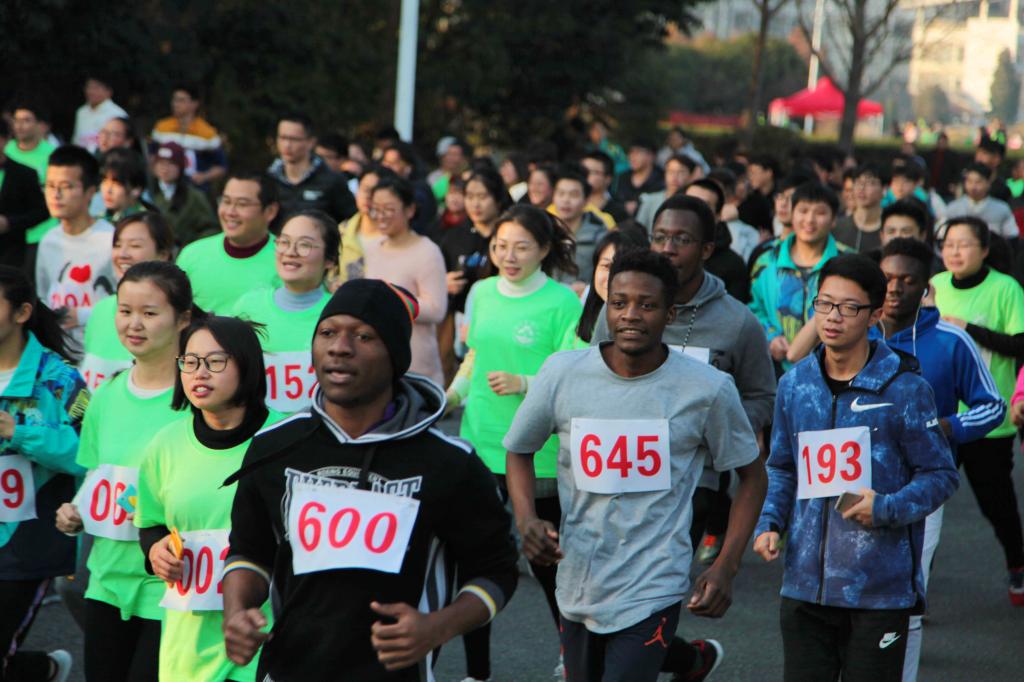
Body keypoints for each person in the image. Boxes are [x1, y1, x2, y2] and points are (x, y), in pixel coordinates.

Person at [220, 279, 518, 680]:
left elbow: (497, 569)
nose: (340, 347)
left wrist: (437, 627)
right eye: (328, 332)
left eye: (364, 336)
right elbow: (250, 552)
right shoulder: (274, 448)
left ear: (395, 355)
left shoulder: (449, 462)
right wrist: (236, 611)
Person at [506, 248, 767, 682]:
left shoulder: (707, 388)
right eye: (619, 302)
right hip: (578, 578)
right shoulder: (562, 373)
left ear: (670, 314)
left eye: (647, 305)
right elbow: (519, 449)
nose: (631, 314)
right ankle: (693, 662)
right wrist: (526, 518)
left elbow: (752, 477)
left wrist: (726, 565)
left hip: (655, 582)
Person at [754, 253, 958, 682]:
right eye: (824, 304)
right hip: (804, 587)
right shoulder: (795, 384)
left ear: (875, 315)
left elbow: (940, 475)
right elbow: (783, 466)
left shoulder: (905, 389)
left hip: (879, 591)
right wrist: (770, 522)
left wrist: (886, 507)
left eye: (849, 307)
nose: (833, 317)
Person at [589, 194, 775, 608]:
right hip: (619, 466)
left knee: (651, 591)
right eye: (660, 237)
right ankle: (680, 648)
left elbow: (762, 395)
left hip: (695, 480)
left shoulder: (737, 322)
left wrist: (719, 426)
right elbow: (594, 375)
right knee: (607, 592)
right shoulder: (618, 310)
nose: (668, 248)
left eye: (682, 239)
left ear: (706, 249)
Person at [443, 204, 582, 681]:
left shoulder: (563, 302)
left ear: (544, 250)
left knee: (547, 564)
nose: (509, 255)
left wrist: (524, 383)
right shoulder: (481, 292)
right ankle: (477, 673)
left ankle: (571, 654)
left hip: (537, 451)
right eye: (500, 246)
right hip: (478, 443)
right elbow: (475, 356)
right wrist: (452, 395)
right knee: (474, 561)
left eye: (522, 247)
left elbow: (573, 371)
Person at [54, 261, 195, 680]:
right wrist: (75, 511)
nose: (134, 324)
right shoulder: (106, 395)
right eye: (125, 310)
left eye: (149, 313)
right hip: (107, 580)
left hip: (171, 584)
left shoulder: (199, 397)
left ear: (183, 319)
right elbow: (96, 475)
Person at [877, 238, 1005, 681]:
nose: (895, 289)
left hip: (924, 490)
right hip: (855, 484)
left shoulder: (952, 341)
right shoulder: (855, 334)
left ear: (926, 287)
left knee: (907, 600)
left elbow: (992, 406)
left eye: (907, 280)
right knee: (848, 598)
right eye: (886, 278)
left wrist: (948, 426)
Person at [135, 315, 280, 681]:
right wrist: (155, 552)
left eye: (215, 361)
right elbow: (150, 524)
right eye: (190, 361)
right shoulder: (164, 445)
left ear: (246, 365)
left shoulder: (286, 439)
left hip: (265, 639)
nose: (200, 373)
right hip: (188, 648)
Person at [930, 216, 1024, 604]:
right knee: (925, 504)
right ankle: (913, 586)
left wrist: (968, 328)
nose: (954, 251)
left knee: (996, 503)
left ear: (984, 249)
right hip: (940, 417)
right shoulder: (934, 285)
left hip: (988, 419)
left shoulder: (1006, 288)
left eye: (964, 244)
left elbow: (1020, 344)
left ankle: (1017, 565)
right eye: (948, 244)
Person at [0, 266, 86, 682]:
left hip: (25, 545)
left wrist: (18, 432)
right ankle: (44, 669)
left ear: (22, 313)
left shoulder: (60, 379)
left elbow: (87, 452)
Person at [233, 210, 337, 413]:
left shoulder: (339, 313)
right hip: (261, 430)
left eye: (305, 245)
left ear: (330, 259)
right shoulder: (248, 306)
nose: (290, 252)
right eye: (284, 242)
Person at [750, 182, 846, 372]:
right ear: (792, 214)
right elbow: (754, 308)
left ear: (834, 219)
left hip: (832, 369)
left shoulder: (847, 262)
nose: (810, 220)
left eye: (820, 213)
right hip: (774, 369)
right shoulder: (767, 261)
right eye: (803, 211)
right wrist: (770, 336)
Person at [363, 175, 447, 385]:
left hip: (417, 367)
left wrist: (392, 300)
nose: (380, 216)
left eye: (388, 209)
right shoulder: (373, 248)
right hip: (378, 362)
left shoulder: (427, 251)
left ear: (410, 210)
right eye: (376, 209)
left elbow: (436, 309)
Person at [80, 212, 175, 390]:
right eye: (117, 245)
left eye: (135, 245)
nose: (122, 254)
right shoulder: (101, 309)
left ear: (163, 254)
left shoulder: (173, 315)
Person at [37, 145, 117, 347]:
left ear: (90, 191)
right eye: (50, 185)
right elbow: (43, 297)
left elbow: (129, 302)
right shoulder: (48, 240)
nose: (55, 195)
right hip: (60, 353)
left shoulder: (111, 240)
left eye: (66, 186)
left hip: (102, 351)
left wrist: (82, 315)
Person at [438, 168, 513, 381]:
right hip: (459, 321)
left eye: (482, 197)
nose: (475, 204)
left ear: (498, 198)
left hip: (501, 319)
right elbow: (437, 275)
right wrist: (443, 283)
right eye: (470, 197)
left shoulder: (510, 236)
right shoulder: (453, 237)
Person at [175, 170, 280, 314]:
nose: (230, 212)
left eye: (242, 204)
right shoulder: (192, 254)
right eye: (226, 201)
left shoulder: (287, 259)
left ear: (270, 211)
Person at [267, 112, 356, 225]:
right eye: (282, 138)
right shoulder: (268, 180)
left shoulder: (331, 180)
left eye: (294, 139)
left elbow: (352, 220)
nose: (287, 145)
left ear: (311, 142)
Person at [576, 226, 650, 343]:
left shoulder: (647, 331)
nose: (612, 278)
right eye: (606, 266)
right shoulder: (576, 321)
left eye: (622, 268)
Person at [684, 178, 750, 303]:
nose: (693, 211)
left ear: (718, 216)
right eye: (688, 203)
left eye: (703, 206)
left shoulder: (733, 264)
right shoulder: (663, 250)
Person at [150, 85, 227, 190]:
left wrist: (204, 176)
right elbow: (151, 156)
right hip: (163, 188)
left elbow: (221, 166)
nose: (175, 104)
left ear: (194, 104)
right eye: (174, 100)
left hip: (195, 189)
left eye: (181, 100)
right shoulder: (161, 127)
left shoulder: (207, 133)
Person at [148, 141, 219, 246]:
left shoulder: (194, 196)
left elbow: (211, 228)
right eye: (161, 163)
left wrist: (193, 247)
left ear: (181, 166)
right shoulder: (146, 193)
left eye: (171, 163)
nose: (165, 168)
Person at [0, 117, 48, 270]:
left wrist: (10, 222)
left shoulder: (24, 173)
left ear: (6, 140)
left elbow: (42, 211)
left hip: (10, 256)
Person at [551, 167, 608, 293]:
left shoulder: (600, 236)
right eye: (561, 193)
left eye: (573, 195)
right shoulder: (544, 233)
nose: (566, 200)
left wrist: (587, 288)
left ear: (586, 200)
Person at [944, 162, 1019, 243]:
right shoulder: (954, 207)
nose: (973, 186)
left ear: (988, 183)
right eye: (969, 181)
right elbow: (943, 234)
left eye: (978, 182)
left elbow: (1012, 236)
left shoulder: (1002, 208)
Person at [337, 167, 387, 285]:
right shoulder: (341, 231)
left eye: (375, 191)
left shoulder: (397, 236)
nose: (368, 196)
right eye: (365, 189)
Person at [381, 141, 437, 235]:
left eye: (393, 163)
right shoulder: (382, 187)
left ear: (408, 167)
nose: (387, 167)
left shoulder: (419, 192)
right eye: (385, 162)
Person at [833, 164, 885, 253]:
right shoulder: (837, 227)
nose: (862, 188)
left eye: (870, 183)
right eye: (858, 183)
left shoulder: (890, 229)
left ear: (883, 190)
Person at [635, 154, 696, 231]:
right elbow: (638, 230)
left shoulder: (694, 203)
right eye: (670, 171)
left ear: (690, 176)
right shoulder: (649, 200)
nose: (675, 177)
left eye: (681, 172)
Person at [72, 76, 127, 152]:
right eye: (89, 87)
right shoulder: (81, 112)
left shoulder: (118, 114)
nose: (91, 92)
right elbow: (76, 140)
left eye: (96, 88)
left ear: (109, 92)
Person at [99, 148, 151, 224]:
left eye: (117, 183)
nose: (108, 190)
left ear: (136, 189)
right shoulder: (101, 219)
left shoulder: (145, 223)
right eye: (105, 180)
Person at [581, 150, 629, 224]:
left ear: (608, 179)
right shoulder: (569, 204)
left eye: (594, 172)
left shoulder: (618, 212)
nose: (586, 175)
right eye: (583, 170)